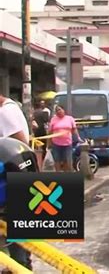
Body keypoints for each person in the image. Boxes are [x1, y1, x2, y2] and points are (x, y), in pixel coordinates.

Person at [0, 93, 33, 271]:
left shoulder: (5, 112)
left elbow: (19, 144)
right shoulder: (12, 108)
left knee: (15, 230)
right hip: (18, 175)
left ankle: (20, 266)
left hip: (13, 177)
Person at [48, 105, 81, 172]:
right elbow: (50, 132)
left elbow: (74, 129)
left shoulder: (70, 118)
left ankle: (66, 175)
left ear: (63, 110)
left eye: (59, 109)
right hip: (56, 144)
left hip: (67, 144)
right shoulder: (53, 119)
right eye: (57, 110)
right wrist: (49, 143)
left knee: (67, 161)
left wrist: (78, 137)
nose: (58, 111)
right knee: (57, 160)